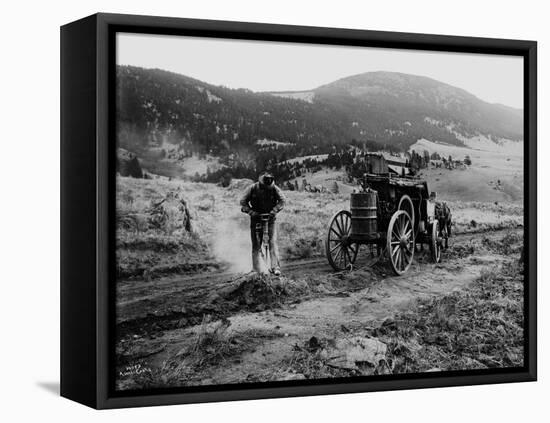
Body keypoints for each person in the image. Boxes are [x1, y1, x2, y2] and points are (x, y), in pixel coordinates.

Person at [240, 172, 286, 275]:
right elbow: (243, 201)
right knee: (256, 245)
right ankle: (256, 269)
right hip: (256, 219)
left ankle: (275, 267)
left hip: (270, 220)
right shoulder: (252, 188)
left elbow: (283, 200)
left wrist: (274, 211)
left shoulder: (274, 188)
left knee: (272, 242)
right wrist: (251, 212)